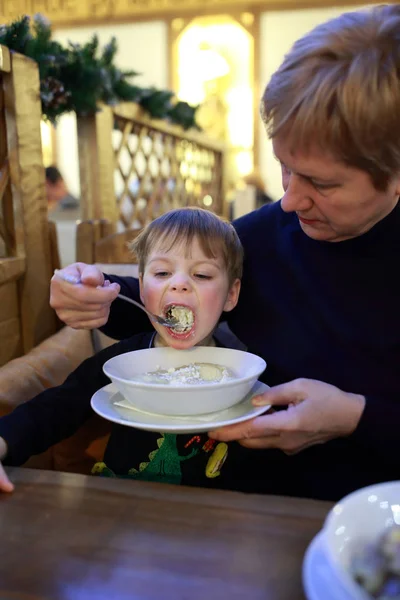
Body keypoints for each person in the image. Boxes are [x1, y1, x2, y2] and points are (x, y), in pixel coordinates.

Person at [49, 4, 400, 502]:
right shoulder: (260, 236)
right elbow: (187, 309)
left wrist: (357, 418)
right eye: (285, 167)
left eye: (322, 183)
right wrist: (99, 295)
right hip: (248, 510)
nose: (290, 200)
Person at [0, 208, 243, 493]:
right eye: (162, 272)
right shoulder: (123, 361)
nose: (179, 283)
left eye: (201, 274)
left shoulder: (242, 370)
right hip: (123, 506)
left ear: (231, 295)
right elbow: (56, 407)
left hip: (214, 514)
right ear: (141, 289)